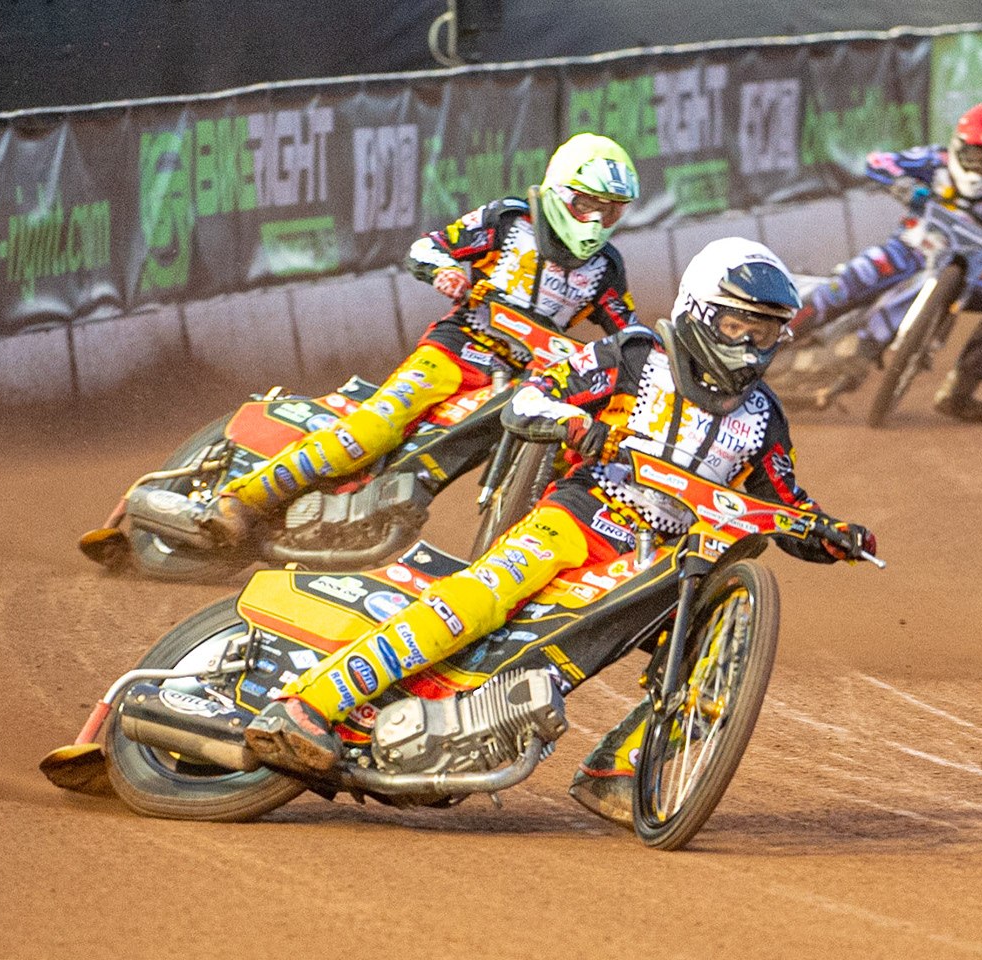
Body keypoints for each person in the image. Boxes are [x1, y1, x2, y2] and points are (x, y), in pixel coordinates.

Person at [241, 238, 876, 821]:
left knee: (721, 651)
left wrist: (833, 534)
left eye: (765, 329)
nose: (751, 341)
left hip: (657, 563)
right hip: (578, 518)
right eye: (739, 323)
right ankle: (309, 705)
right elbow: (529, 399)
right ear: (699, 311)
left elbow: (786, 504)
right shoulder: (633, 355)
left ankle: (618, 768)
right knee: (480, 598)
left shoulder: (764, 417)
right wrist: (573, 423)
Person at [175, 133, 643, 545]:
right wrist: (443, 272)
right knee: (378, 426)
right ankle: (241, 501)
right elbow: (427, 247)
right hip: (458, 349)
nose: (598, 220)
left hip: (526, 382)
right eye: (589, 204)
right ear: (561, 193)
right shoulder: (508, 221)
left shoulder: (607, 268)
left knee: (569, 446)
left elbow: (630, 340)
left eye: (611, 210)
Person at [796, 102, 982, 422]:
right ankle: (773, 339)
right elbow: (879, 161)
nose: (979, 167)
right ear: (958, 147)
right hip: (906, 253)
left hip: (961, 277)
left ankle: (959, 393)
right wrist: (902, 182)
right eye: (973, 156)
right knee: (850, 280)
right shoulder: (934, 161)